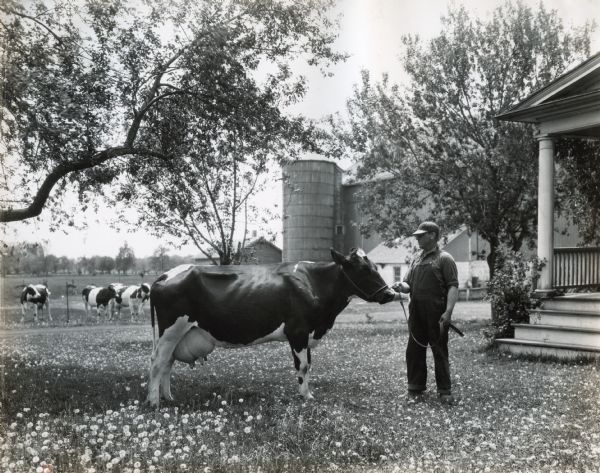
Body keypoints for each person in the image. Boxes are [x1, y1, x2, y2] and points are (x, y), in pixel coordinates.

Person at [393, 221, 459, 405]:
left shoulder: (445, 258)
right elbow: (407, 285)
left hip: (436, 313)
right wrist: (401, 286)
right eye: (417, 236)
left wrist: (448, 312)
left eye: (421, 235)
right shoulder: (416, 259)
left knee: (439, 350)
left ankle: (444, 391)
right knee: (414, 350)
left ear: (432, 235)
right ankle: (415, 388)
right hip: (416, 313)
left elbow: (453, 286)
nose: (417, 239)